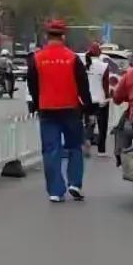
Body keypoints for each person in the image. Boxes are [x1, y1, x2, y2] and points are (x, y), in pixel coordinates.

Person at [26, 19, 92, 203]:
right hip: (71, 109)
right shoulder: (72, 58)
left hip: (47, 109)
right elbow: (83, 86)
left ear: (46, 36)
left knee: (51, 150)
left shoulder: (37, 58)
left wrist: (38, 103)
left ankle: (55, 191)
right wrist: (87, 107)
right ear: (64, 36)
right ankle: (75, 183)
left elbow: (32, 84)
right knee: (74, 147)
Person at [83, 42, 115, 155]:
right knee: (102, 126)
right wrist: (107, 96)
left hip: (87, 99)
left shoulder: (84, 66)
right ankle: (101, 150)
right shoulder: (104, 66)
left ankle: (87, 138)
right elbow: (105, 84)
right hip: (101, 99)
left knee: (89, 122)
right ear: (99, 52)